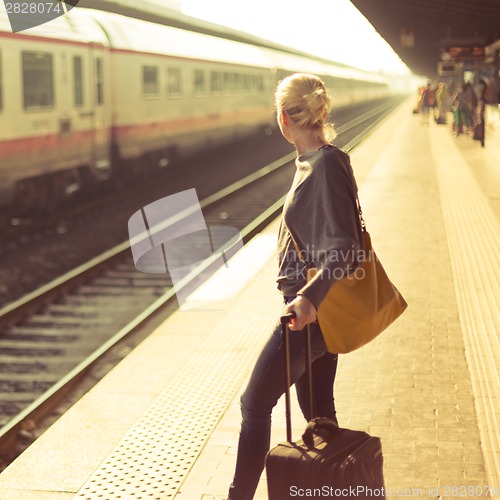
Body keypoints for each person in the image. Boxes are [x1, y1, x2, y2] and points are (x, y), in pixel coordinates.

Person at [227, 73, 365, 500]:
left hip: (311, 316)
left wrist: (308, 298)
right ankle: (340, 489)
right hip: (320, 311)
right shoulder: (319, 160)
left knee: (254, 405)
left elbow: (345, 245)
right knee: (320, 416)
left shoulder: (322, 166)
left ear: (284, 117)